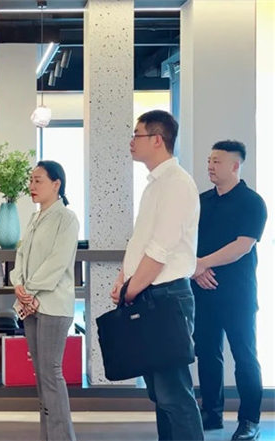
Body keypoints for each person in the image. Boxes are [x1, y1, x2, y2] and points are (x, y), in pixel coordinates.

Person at [110, 110, 204, 440]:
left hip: (166, 297)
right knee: (160, 395)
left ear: (157, 140)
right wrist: (124, 279)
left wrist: (129, 290)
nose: (131, 142)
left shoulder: (177, 184)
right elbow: (141, 242)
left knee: (174, 394)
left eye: (137, 135)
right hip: (150, 294)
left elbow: (160, 250)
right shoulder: (155, 185)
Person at [192, 140, 267, 441]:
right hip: (202, 291)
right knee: (207, 354)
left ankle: (250, 420)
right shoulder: (201, 201)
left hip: (238, 295)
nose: (210, 166)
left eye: (217, 161)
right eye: (209, 160)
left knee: (244, 356)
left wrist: (201, 264)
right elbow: (185, 241)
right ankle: (211, 413)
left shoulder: (252, 202)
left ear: (235, 166)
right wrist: (196, 269)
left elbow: (242, 246)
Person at [10, 160, 79, 441]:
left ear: (56, 184)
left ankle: (62, 437)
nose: (32, 186)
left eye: (38, 180)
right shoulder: (34, 218)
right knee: (41, 375)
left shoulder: (67, 219)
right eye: (31, 180)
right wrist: (18, 284)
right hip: (30, 305)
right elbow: (21, 256)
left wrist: (30, 290)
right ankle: (48, 436)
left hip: (53, 305)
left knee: (51, 373)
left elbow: (57, 262)